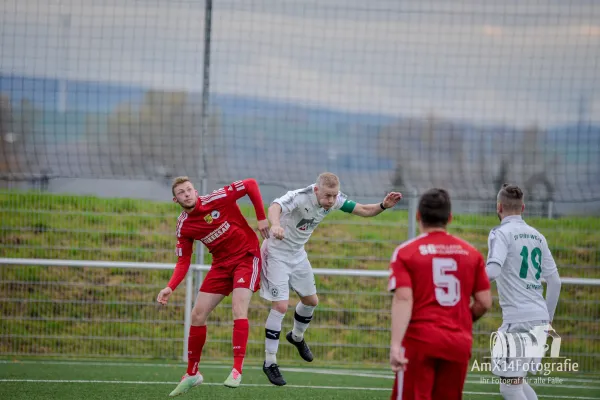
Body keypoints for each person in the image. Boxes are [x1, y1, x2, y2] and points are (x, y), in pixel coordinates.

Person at [260, 172, 403, 386]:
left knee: (311, 302)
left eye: (334, 196)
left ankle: (296, 337)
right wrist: (275, 224)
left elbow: (363, 210)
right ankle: (270, 362)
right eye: (327, 196)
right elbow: (274, 207)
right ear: (317, 190)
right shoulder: (300, 196)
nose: (331, 201)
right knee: (280, 306)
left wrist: (383, 205)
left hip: (298, 255)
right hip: (276, 253)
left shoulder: (335, 201)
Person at [156, 176, 270, 396]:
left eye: (189, 189)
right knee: (197, 315)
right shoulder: (184, 225)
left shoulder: (217, 198)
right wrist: (170, 287)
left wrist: (261, 218)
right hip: (220, 265)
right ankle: (192, 373)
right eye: (181, 192)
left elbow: (251, 184)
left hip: (247, 257)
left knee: (238, 308)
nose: (186, 194)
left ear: (196, 191)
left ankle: (237, 369)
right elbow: (183, 261)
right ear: (175, 199)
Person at [388, 188, 492, 400]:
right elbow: (484, 302)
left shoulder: (407, 252)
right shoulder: (472, 253)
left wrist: (396, 345)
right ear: (450, 218)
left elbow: (403, 298)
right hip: (458, 342)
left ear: (418, 216)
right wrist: (460, 321)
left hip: (420, 341)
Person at [486, 184, 561, 400]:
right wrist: (547, 322)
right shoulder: (537, 236)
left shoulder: (500, 233)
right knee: (516, 382)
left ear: (499, 207)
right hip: (539, 318)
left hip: (518, 320)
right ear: (523, 208)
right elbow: (555, 282)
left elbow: (492, 271)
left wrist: (467, 279)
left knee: (509, 387)